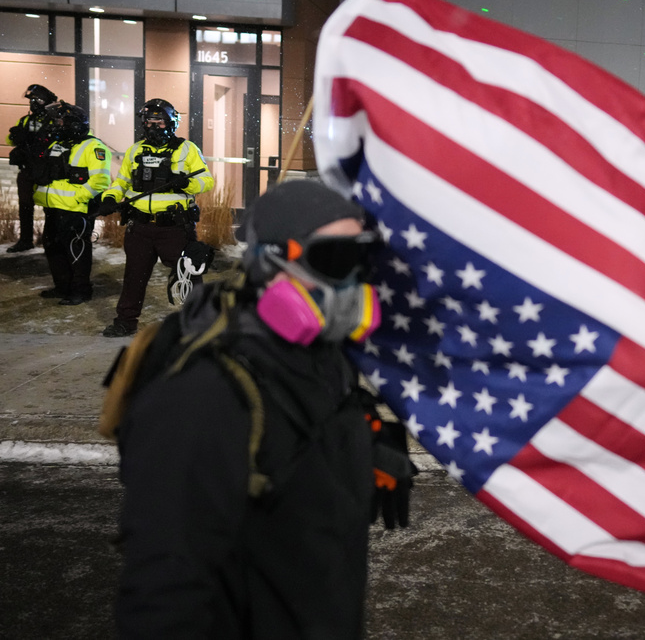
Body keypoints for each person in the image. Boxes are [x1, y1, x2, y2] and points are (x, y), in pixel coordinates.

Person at [114, 179, 392, 637]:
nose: (351, 281)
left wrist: (356, 454)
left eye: (360, 259)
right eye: (333, 260)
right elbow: (164, 584)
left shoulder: (323, 359)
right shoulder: (205, 391)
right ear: (270, 263)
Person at [97, 99, 215, 337]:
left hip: (174, 228)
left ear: (170, 123)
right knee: (134, 277)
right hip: (140, 227)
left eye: (158, 121)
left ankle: (199, 324)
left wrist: (188, 182)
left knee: (188, 273)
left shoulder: (187, 149)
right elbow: (122, 181)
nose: (153, 126)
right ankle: (125, 322)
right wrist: (110, 196)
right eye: (149, 121)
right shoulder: (136, 149)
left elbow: (207, 180)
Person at [32, 102, 111, 304]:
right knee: (53, 248)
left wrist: (78, 199)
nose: (57, 125)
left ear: (74, 124)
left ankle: (81, 291)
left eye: (61, 121)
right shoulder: (57, 144)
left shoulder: (94, 147)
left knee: (77, 252)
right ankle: (63, 287)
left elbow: (100, 181)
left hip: (75, 210)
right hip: (53, 208)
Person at [5, 84, 58, 252]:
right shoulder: (26, 120)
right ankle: (26, 240)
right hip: (27, 170)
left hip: (47, 171)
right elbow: (11, 140)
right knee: (25, 206)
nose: (33, 104)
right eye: (32, 100)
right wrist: (14, 136)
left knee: (50, 207)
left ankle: (50, 241)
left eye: (36, 100)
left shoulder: (55, 119)